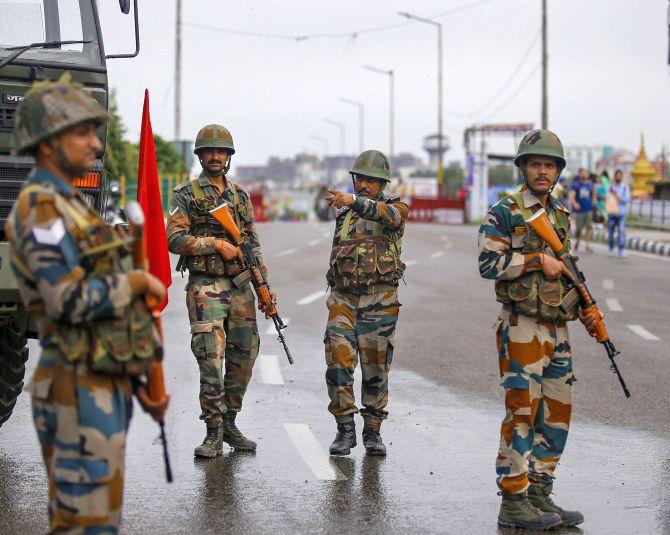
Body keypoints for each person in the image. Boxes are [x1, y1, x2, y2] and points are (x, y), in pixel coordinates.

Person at [6, 77, 168, 533]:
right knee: (84, 527)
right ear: (48, 140)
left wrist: (140, 382)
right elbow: (66, 300)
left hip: (100, 380)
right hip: (74, 390)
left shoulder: (71, 204)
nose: (96, 144)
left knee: (100, 524)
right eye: (82, 132)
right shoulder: (40, 208)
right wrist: (134, 282)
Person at [479, 129, 598, 530]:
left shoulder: (560, 216)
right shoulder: (506, 211)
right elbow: (487, 265)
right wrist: (533, 260)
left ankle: (539, 493)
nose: (543, 171)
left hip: (557, 329)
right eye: (535, 164)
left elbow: (564, 272)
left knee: (557, 415)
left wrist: (583, 305)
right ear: (523, 168)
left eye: (549, 165)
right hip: (521, 326)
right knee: (522, 415)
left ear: (558, 171)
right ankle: (513, 501)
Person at [167, 124, 271, 456]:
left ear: (229, 157)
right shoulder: (185, 194)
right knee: (211, 359)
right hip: (205, 286)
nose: (215, 156)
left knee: (244, 357)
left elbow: (252, 244)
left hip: (241, 287)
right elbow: (174, 240)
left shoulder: (240, 196)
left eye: (221, 151)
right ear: (199, 156)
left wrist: (265, 288)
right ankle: (213, 431)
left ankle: (230, 423)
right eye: (209, 151)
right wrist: (214, 244)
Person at [323, 150, 409, 457]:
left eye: (371, 181)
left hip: (379, 302)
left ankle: (373, 431)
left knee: (376, 369)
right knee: (338, 362)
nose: (363, 185)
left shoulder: (394, 209)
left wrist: (354, 201)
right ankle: (344, 429)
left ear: (382, 184)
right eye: (360, 179)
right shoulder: (345, 216)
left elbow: (391, 217)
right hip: (344, 299)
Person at [569, 168, 597, 252]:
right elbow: (571, 195)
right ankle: (577, 240)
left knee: (589, 227)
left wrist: (594, 202)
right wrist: (574, 203)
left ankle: (588, 245)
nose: (584, 174)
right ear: (580, 175)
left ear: (588, 175)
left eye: (586, 173)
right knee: (579, 229)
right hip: (579, 211)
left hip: (588, 209)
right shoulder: (576, 185)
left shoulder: (590, 184)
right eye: (582, 173)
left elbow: (594, 194)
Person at [606, 169, 630, 257]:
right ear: (615, 176)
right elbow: (607, 198)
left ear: (622, 177)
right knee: (611, 232)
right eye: (617, 175)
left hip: (621, 214)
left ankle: (621, 250)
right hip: (612, 213)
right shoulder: (611, 187)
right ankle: (611, 248)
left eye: (620, 175)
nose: (618, 177)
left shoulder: (625, 188)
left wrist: (619, 198)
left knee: (621, 231)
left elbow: (626, 199)